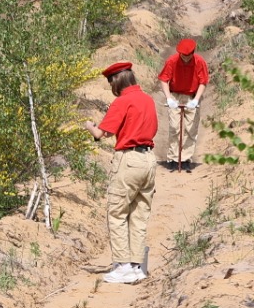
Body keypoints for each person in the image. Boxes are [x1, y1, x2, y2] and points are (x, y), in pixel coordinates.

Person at [84, 61, 157, 285]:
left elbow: (101, 133)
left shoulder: (122, 101)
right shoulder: (148, 100)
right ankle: (136, 267)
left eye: (110, 82)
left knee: (117, 213)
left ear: (116, 80)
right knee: (139, 214)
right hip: (149, 160)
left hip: (129, 159)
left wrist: (88, 125)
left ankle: (122, 265)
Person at [157, 37, 209, 172]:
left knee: (191, 128)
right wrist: (169, 98)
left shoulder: (199, 62)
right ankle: (173, 158)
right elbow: (164, 80)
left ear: (193, 53)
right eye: (183, 55)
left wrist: (196, 100)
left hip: (192, 95)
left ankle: (185, 158)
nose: (185, 58)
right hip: (175, 95)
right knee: (175, 127)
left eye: (188, 55)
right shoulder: (172, 61)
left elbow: (203, 82)